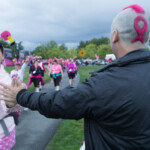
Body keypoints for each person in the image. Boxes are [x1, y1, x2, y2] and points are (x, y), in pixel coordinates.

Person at [1, 4, 150, 150]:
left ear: (115, 35)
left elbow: (59, 103)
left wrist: (21, 96)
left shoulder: (104, 84)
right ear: (147, 37)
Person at [0, 43, 21, 150]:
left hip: (2, 133)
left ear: (2, 55)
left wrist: (10, 103)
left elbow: (11, 106)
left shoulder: (6, 80)